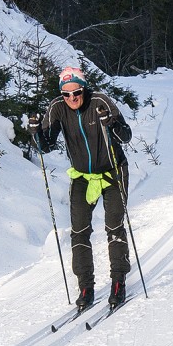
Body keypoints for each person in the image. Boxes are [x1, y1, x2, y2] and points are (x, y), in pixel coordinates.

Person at [27, 65, 133, 311]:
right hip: (82, 176)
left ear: (84, 89)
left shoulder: (100, 102)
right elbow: (46, 145)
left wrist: (111, 123)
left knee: (114, 227)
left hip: (113, 172)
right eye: (66, 94)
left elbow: (126, 136)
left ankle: (118, 282)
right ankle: (86, 287)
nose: (72, 98)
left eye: (76, 92)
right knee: (79, 231)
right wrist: (36, 134)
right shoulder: (57, 108)